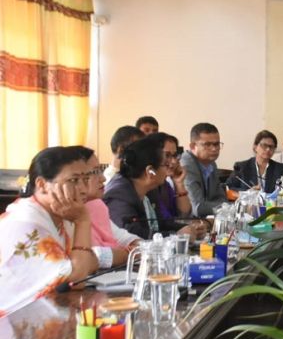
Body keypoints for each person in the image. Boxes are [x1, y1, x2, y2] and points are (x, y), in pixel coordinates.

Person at [0, 147, 99, 315]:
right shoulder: (26, 223)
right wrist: (83, 222)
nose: (84, 189)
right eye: (74, 180)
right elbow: (76, 279)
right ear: (42, 185)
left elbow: (90, 262)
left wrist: (82, 264)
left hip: (41, 313)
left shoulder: (62, 214)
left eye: (85, 179)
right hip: (10, 322)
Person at [77, 146, 139, 269]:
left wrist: (143, 247)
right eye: (95, 172)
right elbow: (93, 256)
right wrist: (130, 254)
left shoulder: (96, 205)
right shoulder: (64, 212)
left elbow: (121, 237)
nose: (103, 178)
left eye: (100, 170)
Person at [105, 135, 171, 239]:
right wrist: (176, 236)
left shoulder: (149, 189)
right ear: (150, 171)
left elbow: (162, 224)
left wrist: (187, 228)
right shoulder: (119, 196)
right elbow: (133, 233)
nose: (169, 168)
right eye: (165, 165)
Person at [148, 133, 204, 235]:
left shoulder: (165, 184)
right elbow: (164, 223)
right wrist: (185, 228)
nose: (174, 161)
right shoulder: (148, 187)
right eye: (167, 155)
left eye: (174, 155)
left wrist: (179, 183)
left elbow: (184, 215)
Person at [180, 122, 227, 217]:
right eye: (207, 144)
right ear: (193, 146)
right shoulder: (186, 165)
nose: (214, 149)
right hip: (185, 222)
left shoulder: (211, 163)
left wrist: (225, 206)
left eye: (216, 144)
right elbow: (197, 207)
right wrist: (229, 207)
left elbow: (221, 197)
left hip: (206, 219)